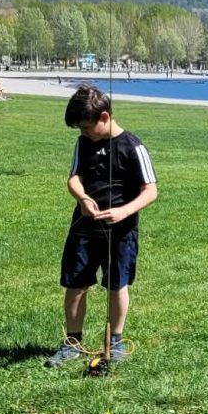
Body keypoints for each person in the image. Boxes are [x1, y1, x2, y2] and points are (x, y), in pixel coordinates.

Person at [46, 84, 158, 370]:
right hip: (84, 228)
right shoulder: (83, 144)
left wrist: (123, 211)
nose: (83, 133)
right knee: (76, 284)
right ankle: (72, 343)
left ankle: (115, 342)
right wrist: (82, 198)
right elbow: (74, 178)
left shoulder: (133, 146)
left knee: (117, 285)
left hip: (121, 232)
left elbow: (150, 190)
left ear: (104, 117)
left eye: (86, 127)